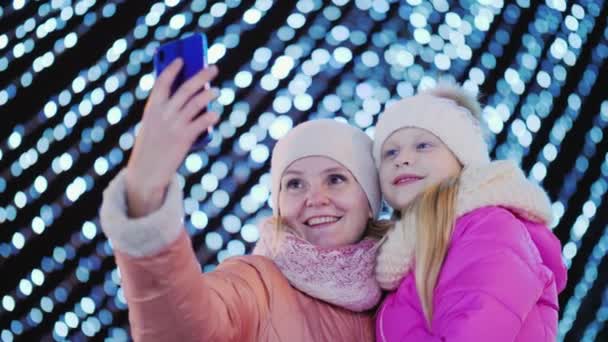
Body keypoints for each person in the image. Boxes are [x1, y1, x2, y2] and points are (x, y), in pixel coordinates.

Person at [99, 58, 387, 341]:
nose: (315, 198)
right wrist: (145, 192)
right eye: (295, 183)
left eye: (335, 179)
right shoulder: (256, 284)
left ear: (371, 202)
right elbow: (184, 328)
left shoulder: (406, 290)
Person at [371, 83, 568, 341]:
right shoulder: (402, 255)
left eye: (423, 145)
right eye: (390, 152)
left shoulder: (489, 228)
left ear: (463, 157)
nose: (402, 159)